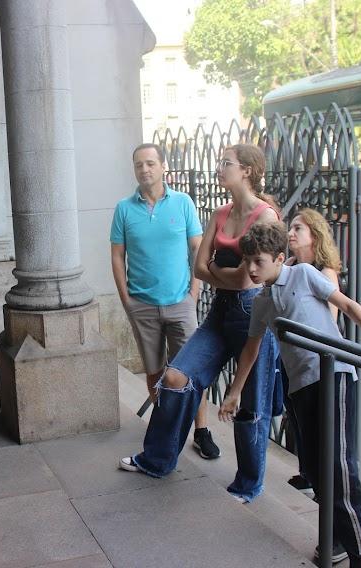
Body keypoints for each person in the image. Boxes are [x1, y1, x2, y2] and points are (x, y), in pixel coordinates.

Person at [220, 221, 361, 568]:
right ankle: (341, 539)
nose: (251, 269)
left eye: (259, 261)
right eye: (248, 261)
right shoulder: (262, 302)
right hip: (300, 388)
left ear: (280, 258)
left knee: (339, 467)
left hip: (334, 376)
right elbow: (251, 350)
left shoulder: (302, 275)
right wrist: (234, 391)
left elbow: (346, 305)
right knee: (315, 470)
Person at [119, 143, 281, 504]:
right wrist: (226, 274)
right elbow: (199, 268)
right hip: (221, 312)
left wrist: (219, 273)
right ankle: (157, 459)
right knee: (176, 377)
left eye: (226, 163)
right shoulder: (221, 213)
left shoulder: (265, 216)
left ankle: (247, 485)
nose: (219, 167)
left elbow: (247, 279)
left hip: (253, 314)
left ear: (247, 171)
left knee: (250, 404)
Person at [110, 143, 219, 460]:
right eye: (138, 165)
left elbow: (198, 249)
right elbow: (118, 257)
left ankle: (201, 431)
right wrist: (126, 299)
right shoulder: (124, 209)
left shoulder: (183, 203)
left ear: (163, 167)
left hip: (180, 303)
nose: (144, 169)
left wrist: (193, 293)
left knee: (193, 370)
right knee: (155, 372)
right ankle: (166, 429)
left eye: (150, 163)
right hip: (142, 305)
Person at [284, 208, 344, 501]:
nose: (291, 233)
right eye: (290, 228)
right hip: (294, 361)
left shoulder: (323, 271)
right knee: (298, 422)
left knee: (321, 432)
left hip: (317, 365)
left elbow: (328, 324)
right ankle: (308, 473)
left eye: (298, 229)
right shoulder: (291, 265)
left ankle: (322, 486)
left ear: (314, 237)